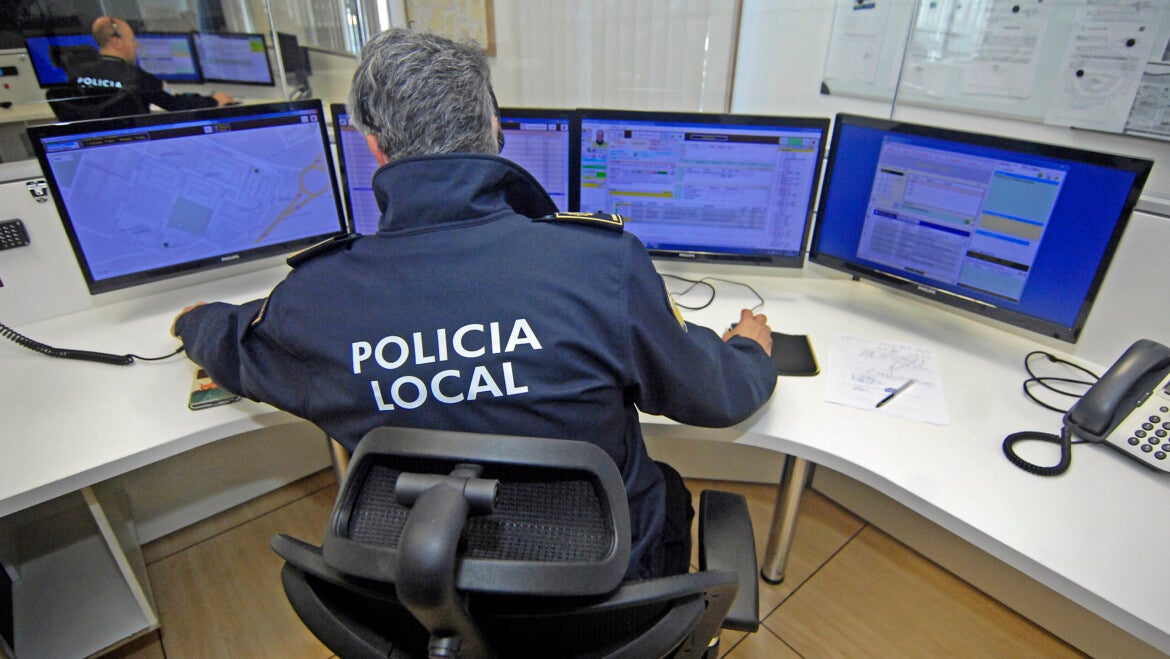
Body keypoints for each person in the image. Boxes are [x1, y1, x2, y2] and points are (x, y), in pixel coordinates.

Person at [171, 27, 776, 580]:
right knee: (666, 487)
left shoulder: (314, 299)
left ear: (376, 148)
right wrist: (748, 346)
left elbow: (233, 345)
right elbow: (714, 395)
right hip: (597, 589)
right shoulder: (600, 266)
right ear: (493, 128)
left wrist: (191, 321)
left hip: (419, 583)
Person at [68, 17, 233, 113]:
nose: (136, 45)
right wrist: (214, 100)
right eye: (131, 39)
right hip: (136, 139)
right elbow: (174, 104)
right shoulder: (135, 76)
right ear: (117, 42)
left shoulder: (77, 74)